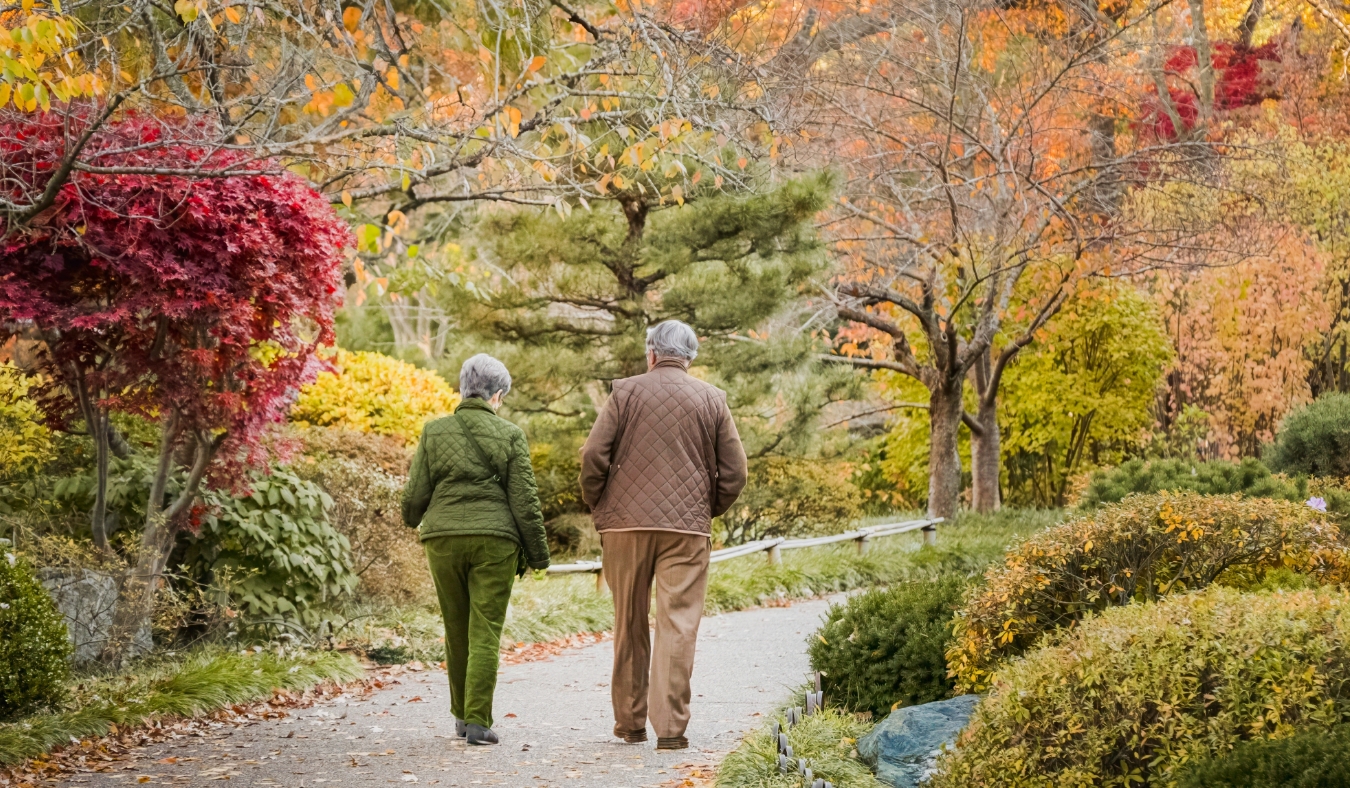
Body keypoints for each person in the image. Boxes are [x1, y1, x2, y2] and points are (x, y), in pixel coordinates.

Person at [579, 320, 748, 750]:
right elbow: (735, 472)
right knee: (677, 625)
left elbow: (594, 456)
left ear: (651, 353)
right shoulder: (713, 399)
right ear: (690, 357)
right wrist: (706, 509)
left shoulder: (626, 392)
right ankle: (671, 730)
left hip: (624, 528)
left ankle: (631, 723)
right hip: (685, 531)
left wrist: (601, 506)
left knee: (628, 623)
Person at [401, 353, 550, 746]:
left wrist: (414, 518)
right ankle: (477, 722)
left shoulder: (434, 432)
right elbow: (524, 502)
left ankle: (459, 717)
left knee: (456, 629)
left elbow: (415, 496)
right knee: (485, 631)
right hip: (495, 542)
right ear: (497, 395)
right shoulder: (511, 435)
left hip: (443, 540)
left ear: (463, 389)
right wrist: (538, 556)